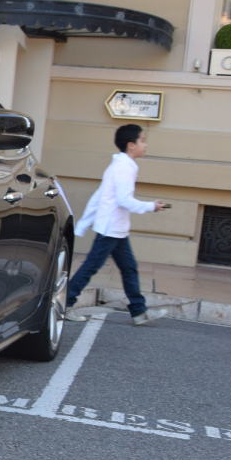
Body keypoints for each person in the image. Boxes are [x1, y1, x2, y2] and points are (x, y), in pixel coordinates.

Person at [65, 123, 171, 325]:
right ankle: (65, 303)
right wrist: (151, 206)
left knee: (129, 268)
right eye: (142, 140)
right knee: (91, 268)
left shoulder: (122, 165)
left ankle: (139, 312)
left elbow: (100, 196)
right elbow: (123, 200)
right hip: (110, 229)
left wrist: (84, 223)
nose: (145, 145)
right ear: (131, 145)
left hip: (117, 229)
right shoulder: (123, 167)